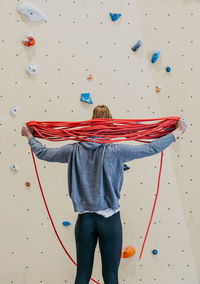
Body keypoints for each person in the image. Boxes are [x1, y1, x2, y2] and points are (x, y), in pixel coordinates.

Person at [21, 105, 187, 284]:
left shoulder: (74, 150)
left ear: (92, 122)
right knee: (111, 278)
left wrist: (29, 136)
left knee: (82, 275)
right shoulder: (116, 150)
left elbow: (44, 153)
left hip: (84, 221)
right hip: (110, 221)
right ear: (110, 124)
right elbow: (150, 148)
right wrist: (178, 132)